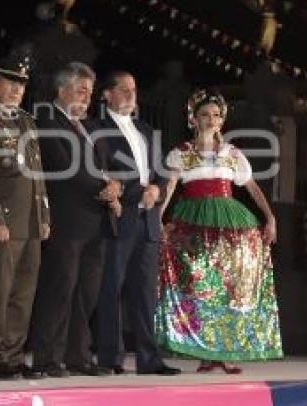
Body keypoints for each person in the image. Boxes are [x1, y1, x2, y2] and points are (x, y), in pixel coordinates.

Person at [156, 90, 283, 374]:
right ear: (193, 119)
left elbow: (251, 187)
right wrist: (158, 218)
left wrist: (270, 218)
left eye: (215, 115)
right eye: (204, 115)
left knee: (229, 288)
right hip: (193, 222)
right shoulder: (182, 154)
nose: (210, 120)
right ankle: (204, 350)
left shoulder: (232, 154)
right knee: (199, 287)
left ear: (221, 120)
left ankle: (226, 352)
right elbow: (170, 188)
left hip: (230, 223)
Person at [30, 62, 119, 378]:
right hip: (65, 221)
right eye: (81, 90)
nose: (87, 97)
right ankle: (46, 357)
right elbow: (65, 169)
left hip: (95, 221)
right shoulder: (47, 119)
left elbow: (103, 166)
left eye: (90, 92)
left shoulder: (88, 127)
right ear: (62, 89)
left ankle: (78, 356)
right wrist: (103, 188)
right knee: (59, 290)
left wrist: (114, 185)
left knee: (86, 294)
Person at [92, 71, 180, 376]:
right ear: (107, 94)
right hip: (119, 218)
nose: (131, 94)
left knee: (145, 292)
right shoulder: (96, 130)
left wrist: (157, 190)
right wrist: (138, 192)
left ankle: (149, 358)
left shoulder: (145, 128)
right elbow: (101, 174)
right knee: (111, 289)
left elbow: (162, 173)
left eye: (134, 89)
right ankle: (110, 357)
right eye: (124, 89)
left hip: (149, 221)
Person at [0, 56, 50, 380]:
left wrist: (44, 214)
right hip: (5, 220)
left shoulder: (27, 121)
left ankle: (15, 354)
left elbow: (37, 174)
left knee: (23, 292)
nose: (17, 89)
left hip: (30, 220)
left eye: (21, 84)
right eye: (10, 82)